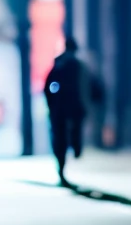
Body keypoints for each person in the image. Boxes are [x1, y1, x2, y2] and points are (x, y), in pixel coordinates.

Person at [43, 36, 103, 183]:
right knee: (72, 133)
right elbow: (92, 87)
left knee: (60, 138)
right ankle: (75, 150)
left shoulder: (59, 65)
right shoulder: (79, 66)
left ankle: (63, 163)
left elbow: (48, 88)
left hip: (61, 110)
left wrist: (52, 105)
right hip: (75, 108)